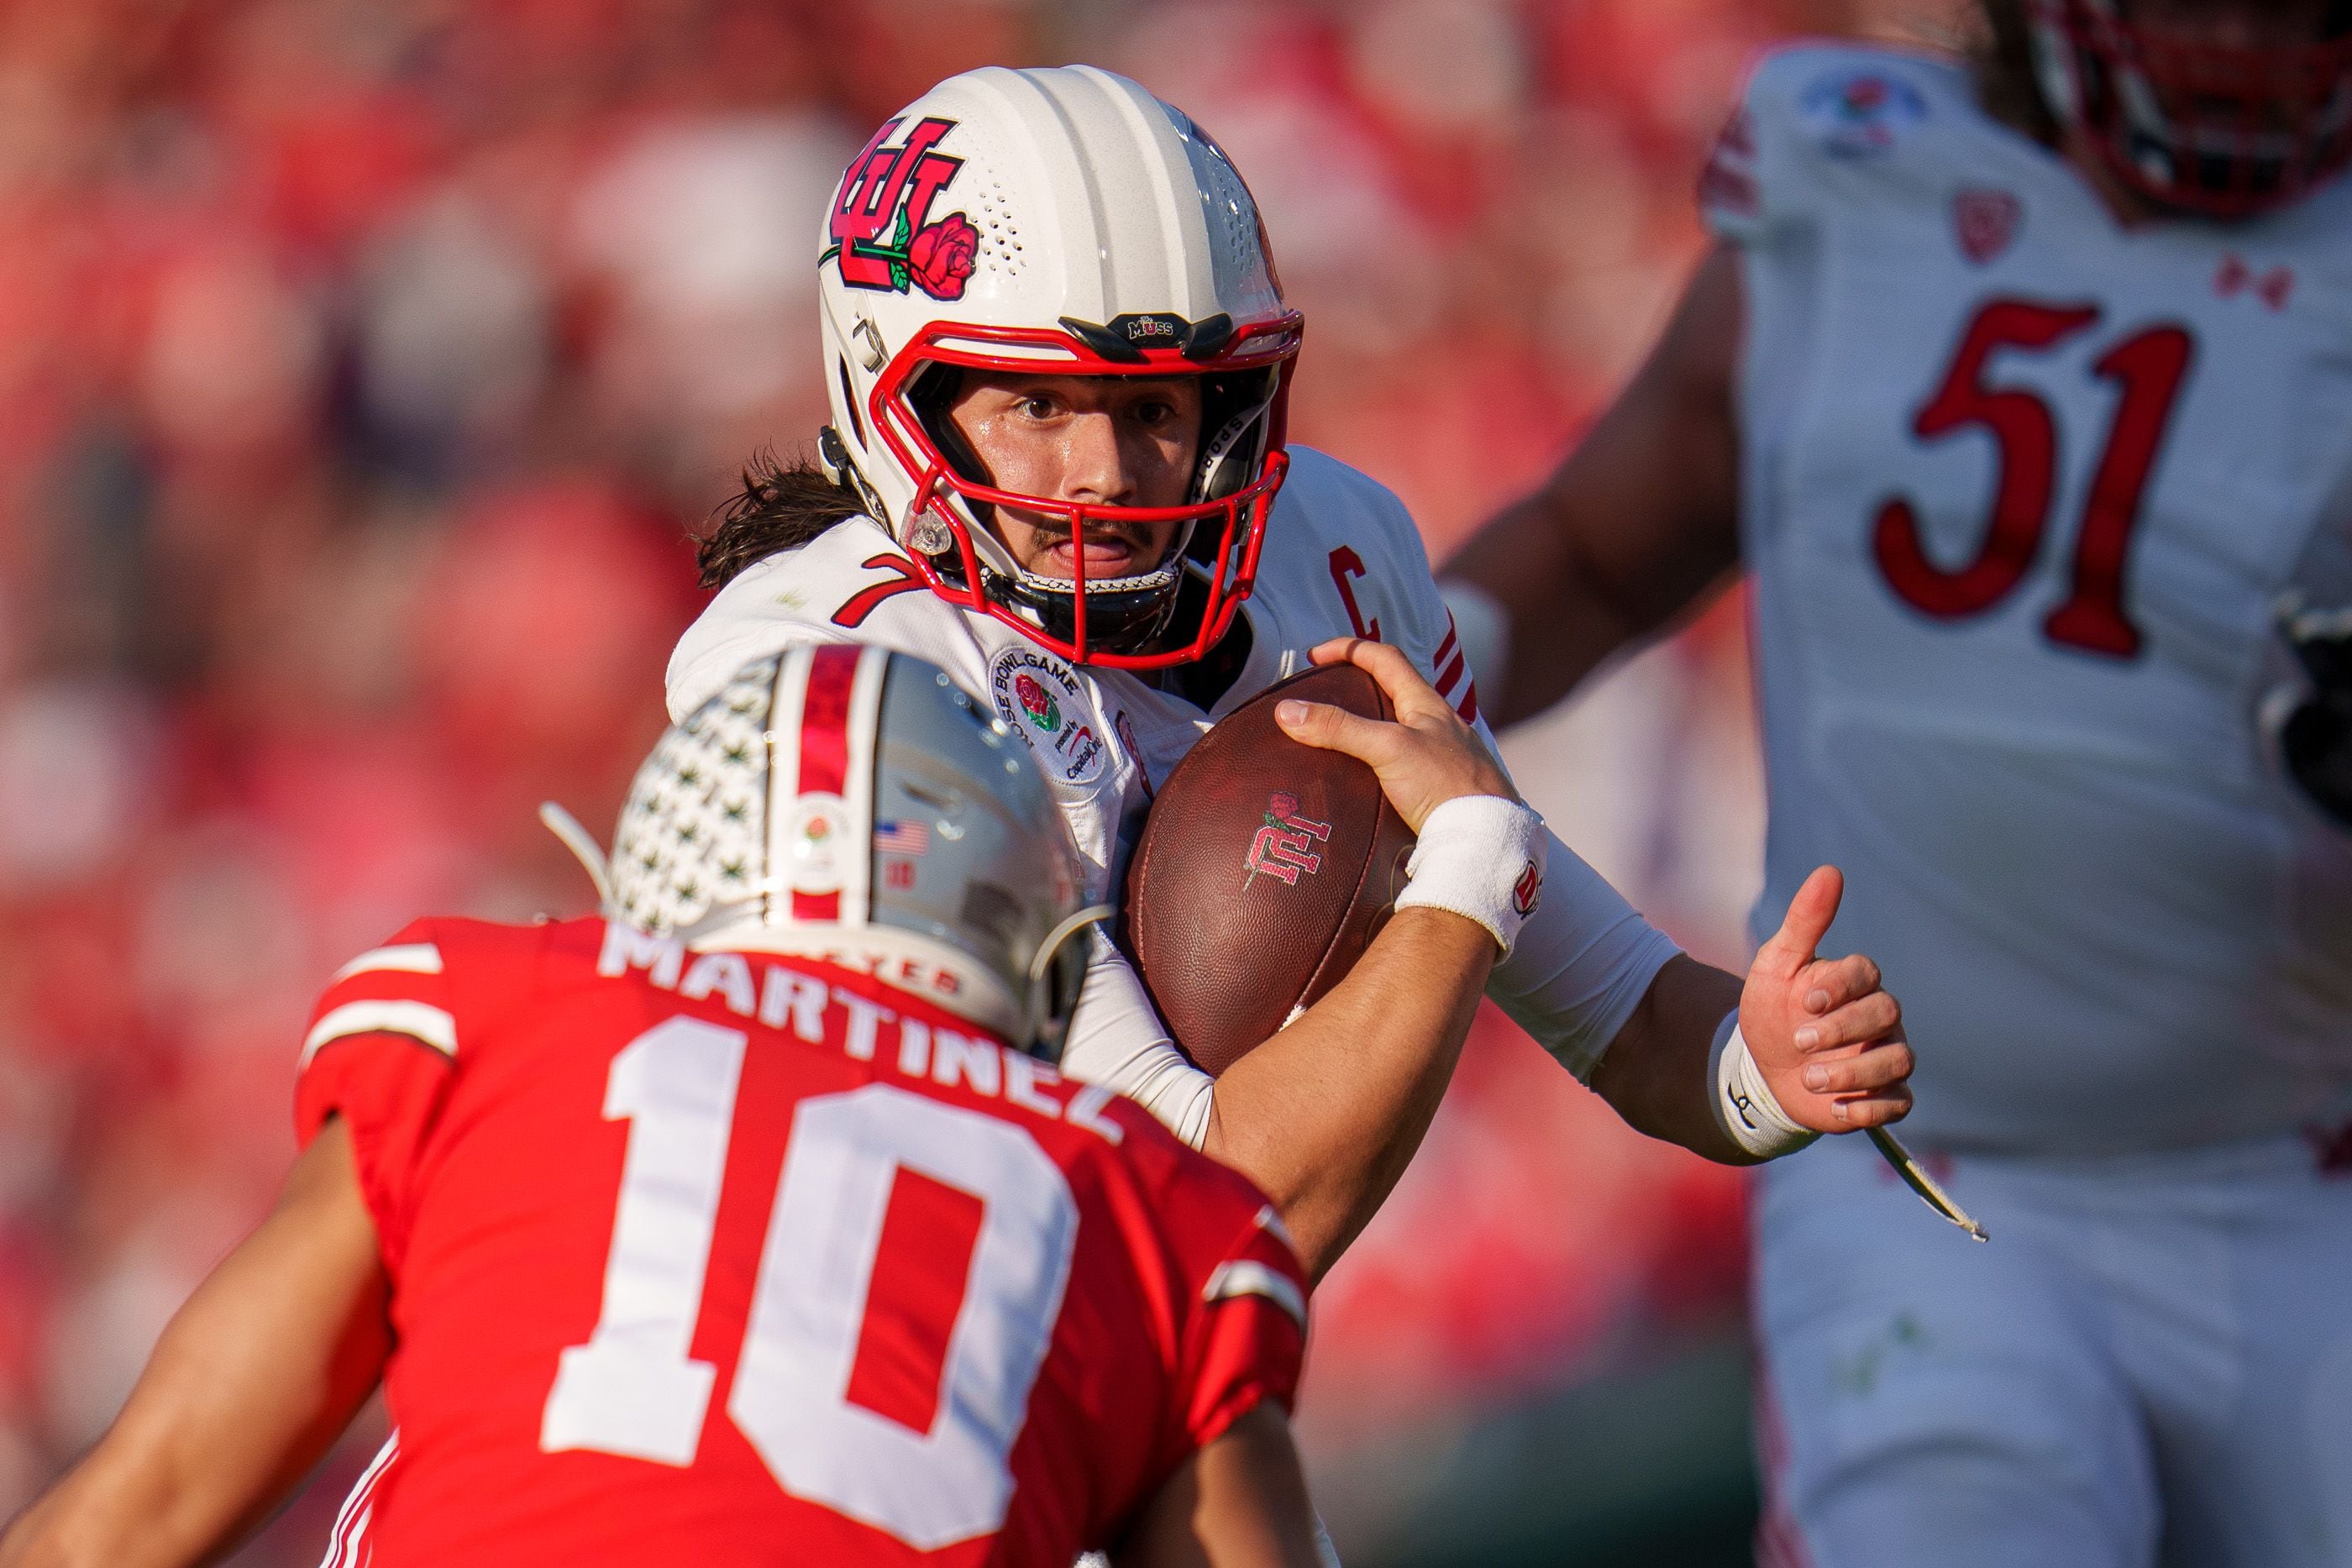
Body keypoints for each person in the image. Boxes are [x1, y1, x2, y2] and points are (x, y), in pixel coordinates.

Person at [672, 63, 1917, 1241]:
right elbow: (1200, 1221)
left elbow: (1634, 1024)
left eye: (1156, 407)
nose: (1106, 474)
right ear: (894, 389)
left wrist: (1763, 1062)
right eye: (1039, 405)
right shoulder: (844, 677)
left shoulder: (1322, 548)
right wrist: (1470, 868)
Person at [1443, 3, 2352, 1563]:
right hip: (1928, 1177)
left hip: (2304, 1178)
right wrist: (1381, 682)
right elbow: (1598, 548)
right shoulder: (1853, 172)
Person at [0, 642, 1530, 1567]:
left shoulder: (507, 1016)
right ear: (1028, 937)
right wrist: (1465, 868)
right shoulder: (1146, 1206)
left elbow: (142, 1510)